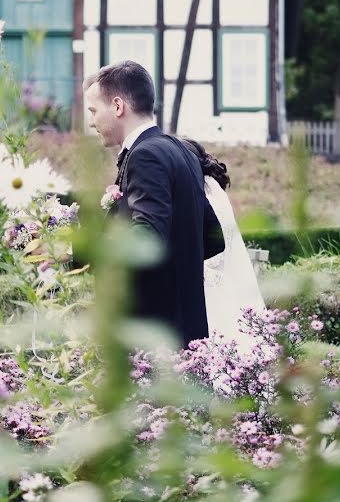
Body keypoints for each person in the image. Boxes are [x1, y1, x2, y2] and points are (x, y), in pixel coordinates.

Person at [84, 60, 225, 347]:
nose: (91, 122)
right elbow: (214, 238)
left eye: (93, 111)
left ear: (118, 105)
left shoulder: (145, 156)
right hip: (188, 331)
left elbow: (146, 238)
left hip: (154, 336)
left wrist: (78, 249)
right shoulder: (180, 150)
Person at [181, 139, 265, 349]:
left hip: (207, 286)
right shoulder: (211, 190)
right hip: (219, 283)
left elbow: (213, 244)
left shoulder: (200, 195)